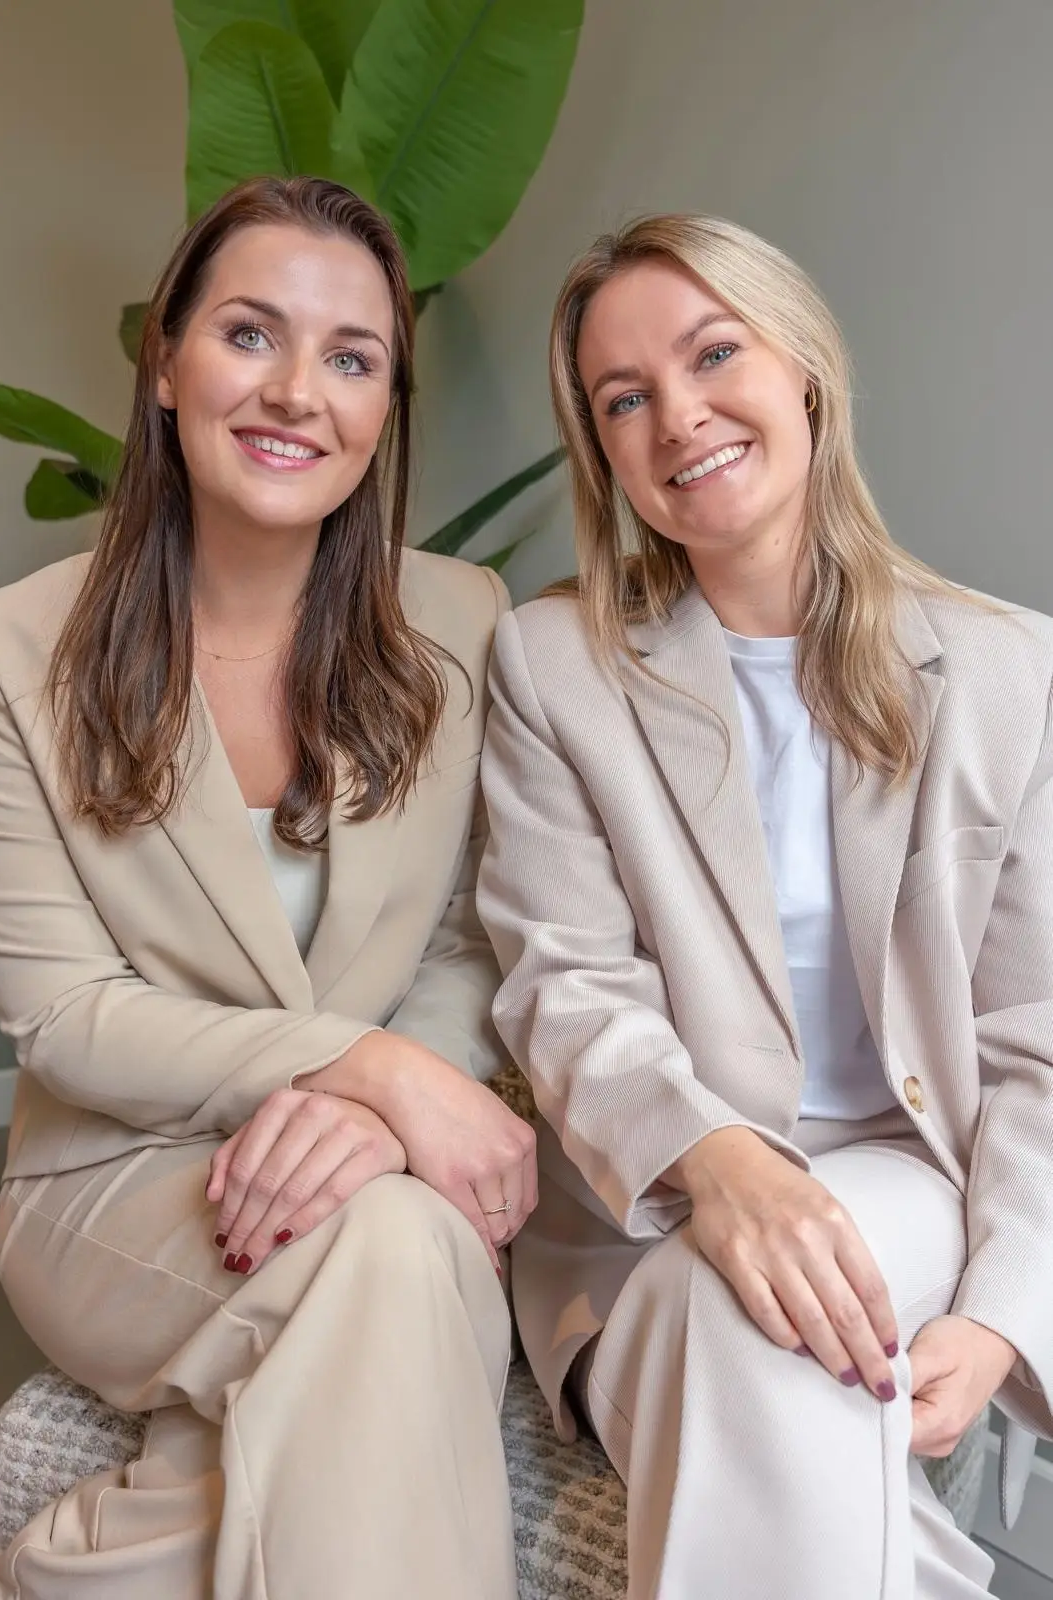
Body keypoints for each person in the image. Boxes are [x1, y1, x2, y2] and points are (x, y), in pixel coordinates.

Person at [476, 213, 1053, 1599]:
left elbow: (1035, 1037)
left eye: (711, 353)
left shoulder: (1001, 670)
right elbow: (563, 986)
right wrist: (721, 1169)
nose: (678, 416)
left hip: (905, 1184)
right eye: (624, 400)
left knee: (775, 1295)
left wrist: (999, 1316)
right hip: (639, 1219)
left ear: (801, 368)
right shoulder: (554, 664)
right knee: (732, 1308)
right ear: (603, 448)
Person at [0, 175, 536, 1600]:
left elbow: (478, 932)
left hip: (380, 1174)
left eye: (351, 359)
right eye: (249, 335)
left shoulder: (459, 623)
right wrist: (370, 1072)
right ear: (163, 359)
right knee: (402, 1255)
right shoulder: (8, 655)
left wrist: (385, 1094)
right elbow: (66, 1017)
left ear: (384, 407)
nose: (299, 393)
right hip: (113, 1180)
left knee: (390, 1253)